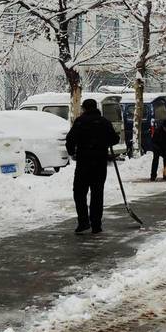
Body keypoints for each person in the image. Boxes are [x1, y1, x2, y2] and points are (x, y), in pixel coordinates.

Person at [65, 98, 120, 234]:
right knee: (97, 193)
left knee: (79, 193)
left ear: (84, 108)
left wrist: (72, 152)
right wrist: (104, 141)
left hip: (84, 163)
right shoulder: (104, 122)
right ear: (96, 108)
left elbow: (70, 140)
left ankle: (83, 222)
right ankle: (96, 224)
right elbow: (115, 139)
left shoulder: (80, 122)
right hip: (100, 163)